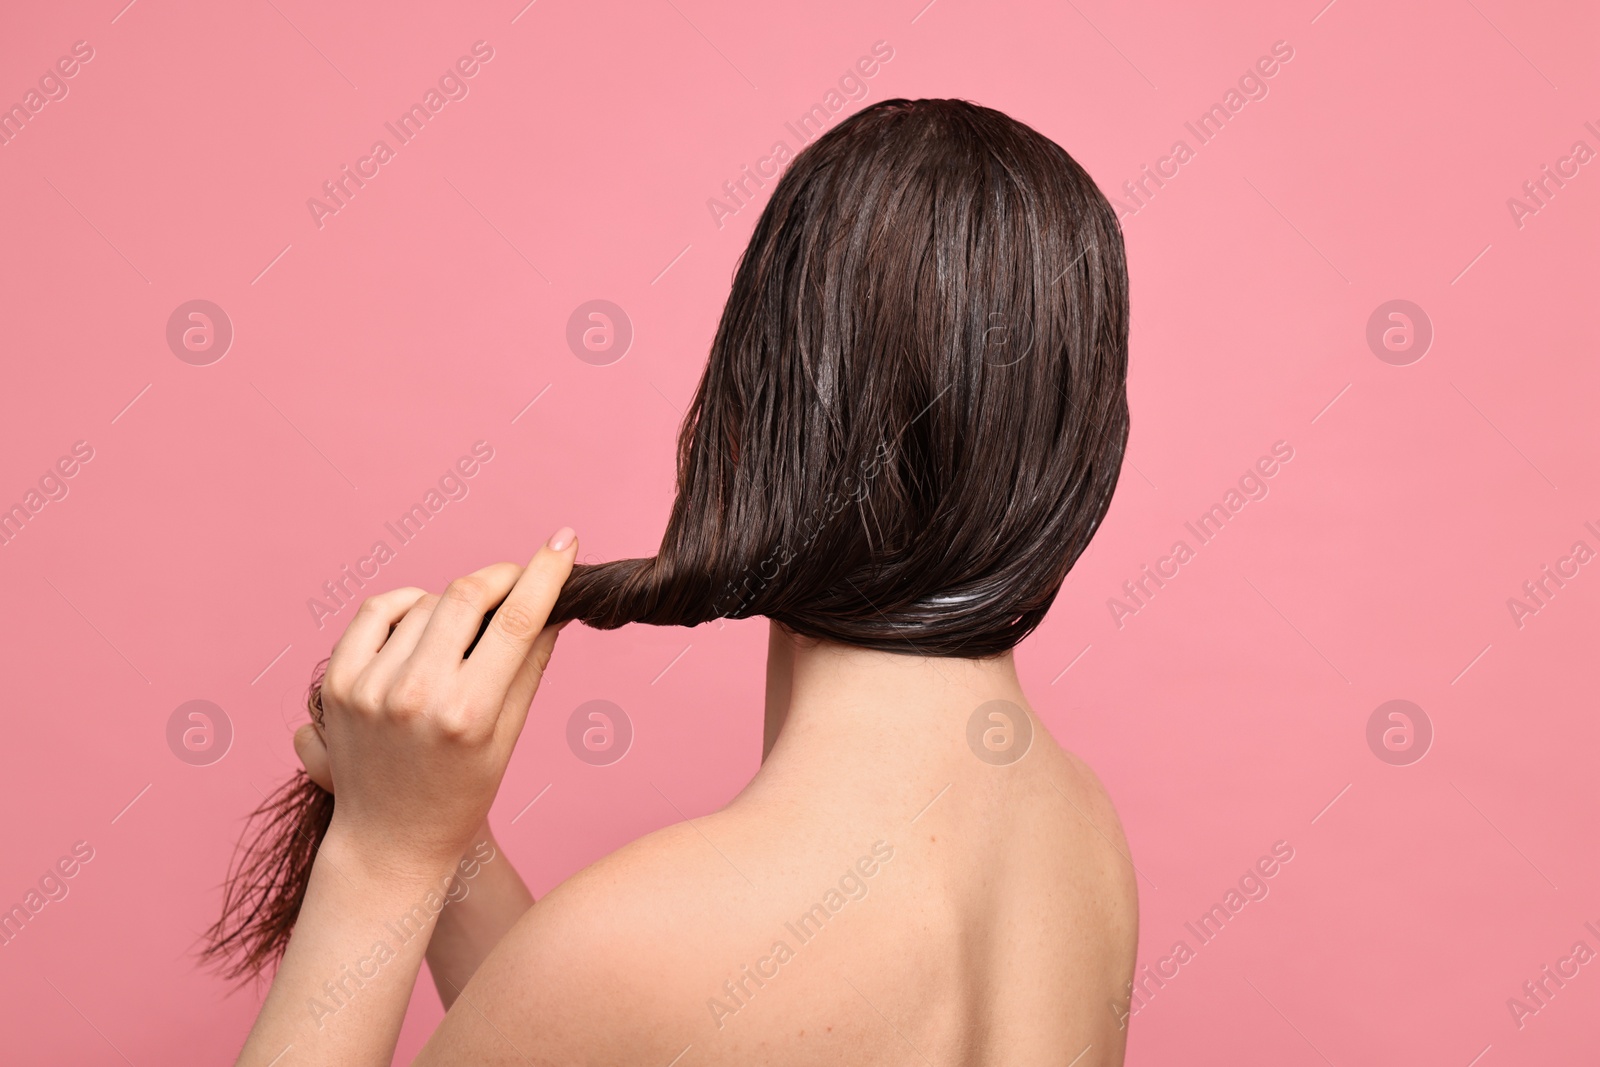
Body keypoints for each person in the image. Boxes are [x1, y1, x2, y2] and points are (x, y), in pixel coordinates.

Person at [225, 97, 1139, 1066]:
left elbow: (634, 1000)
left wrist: (381, 859)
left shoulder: (653, 933)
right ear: (1077, 455)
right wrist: (447, 839)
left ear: (749, 425)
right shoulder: (1080, 838)